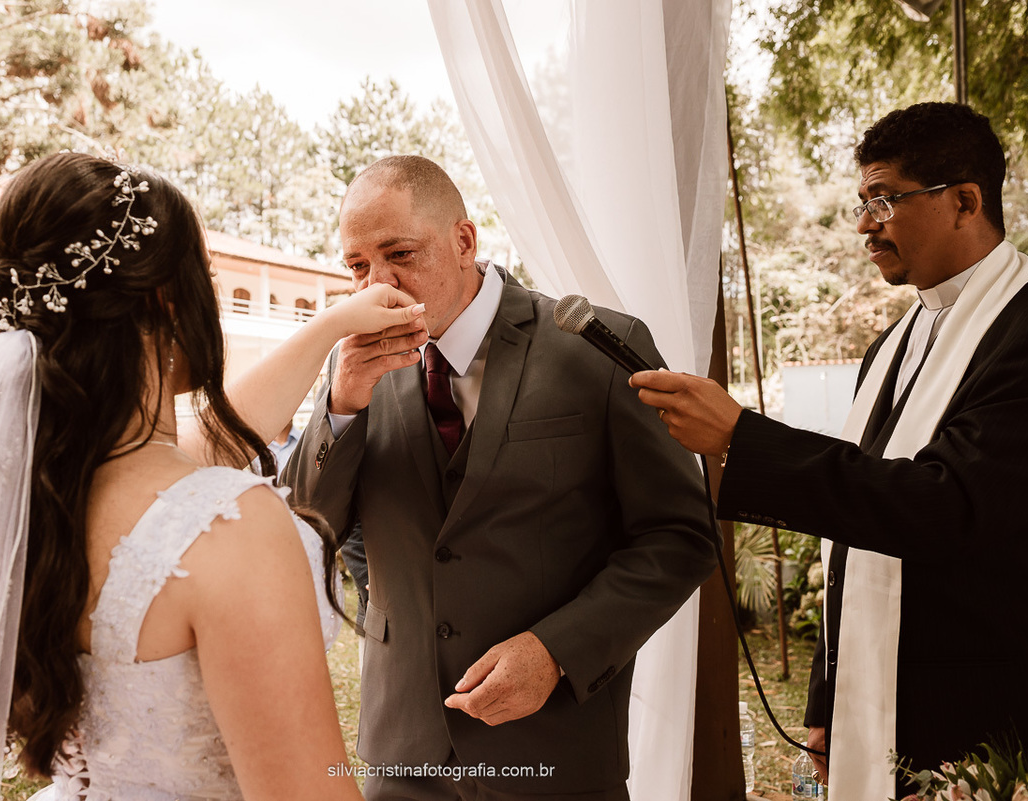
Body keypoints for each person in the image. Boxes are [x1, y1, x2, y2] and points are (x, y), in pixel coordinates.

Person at [0, 151, 426, 801]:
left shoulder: (38, 499)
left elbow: (215, 437)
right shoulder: (232, 528)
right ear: (169, 300)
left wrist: (332, 327)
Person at [631, 102, 1028, 799]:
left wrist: (743, 435)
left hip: (982, 717)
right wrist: (825, 702)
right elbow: (853, 539)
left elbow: (941, 502)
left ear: (965, 201)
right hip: (874, 710)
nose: (863, 225)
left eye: (884, 199)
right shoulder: (896, 341)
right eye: (862, 202)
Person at [284, 155, 718, 800]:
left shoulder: (598, 346)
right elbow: (313, 524)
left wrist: (555, 650)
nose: (379, 285)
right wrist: (343, 405)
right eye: (358, 266)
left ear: (464, 240)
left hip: (555, 752)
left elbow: (680, 537)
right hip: (404, 753)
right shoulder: (355, 367)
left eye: (399, 253)